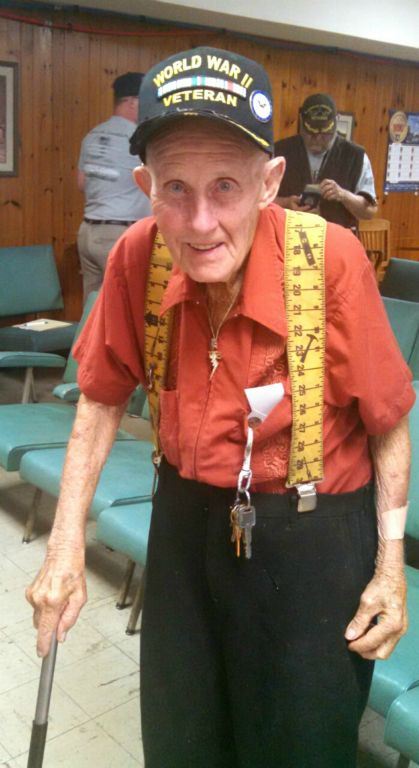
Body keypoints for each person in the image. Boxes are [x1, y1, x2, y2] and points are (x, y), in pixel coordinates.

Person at [26, 47, 415, 768]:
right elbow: (102, 401)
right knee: (183, 740)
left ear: (270, 182)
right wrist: (65, 545)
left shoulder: (329, 260)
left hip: (314, 542)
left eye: (226, 187)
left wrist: (389, 569)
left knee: (296, 748)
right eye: (174, 187)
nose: (199, 222)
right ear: (144, 185)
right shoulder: (137, 257)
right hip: (184, 523)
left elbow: (389, 423)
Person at [77, 71, 151, 302]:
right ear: (131, 102)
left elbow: (81, 183)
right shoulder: (139, 140)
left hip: (88, 232)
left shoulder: (92, 135)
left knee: (93, 311)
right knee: (127, 308)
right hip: (119, 234)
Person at [275, 92, 378, 229]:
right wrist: (286, 203)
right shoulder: (279, 151)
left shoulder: (356, 157)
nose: (317, 139)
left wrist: (343, 195)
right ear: (301, 121)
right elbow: (257, 199)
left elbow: (370, 211)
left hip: (337, 243)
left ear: (337, 122)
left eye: (325, 134)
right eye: (311, 133)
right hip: (288, 241)